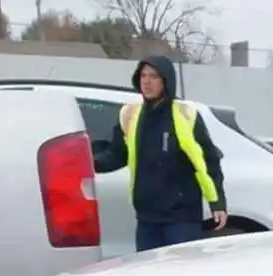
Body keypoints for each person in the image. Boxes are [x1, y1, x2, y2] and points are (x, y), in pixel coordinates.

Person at [92, 55, 228, 252]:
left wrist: (217, 203)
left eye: (154, 76)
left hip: (182, 218)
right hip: (147, 218)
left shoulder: (185, 114)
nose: (147, 82)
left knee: (180, 275)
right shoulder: (130, 115)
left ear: (166, 80)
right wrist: (90, 163)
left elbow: (208, 161)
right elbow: (117, 154)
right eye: (143, 76)